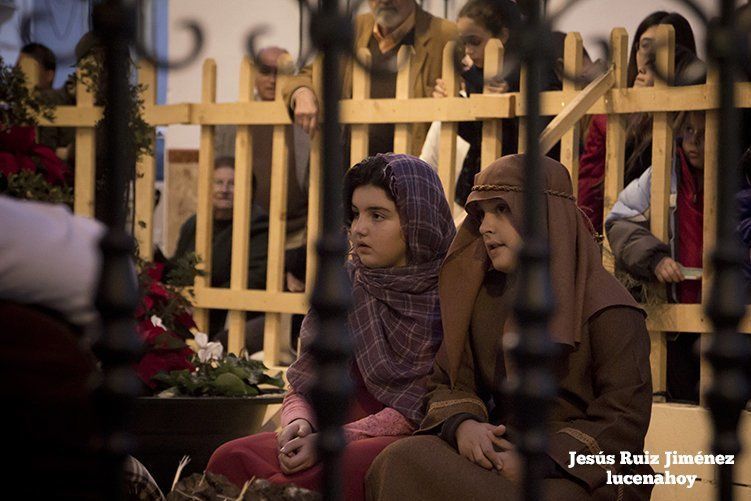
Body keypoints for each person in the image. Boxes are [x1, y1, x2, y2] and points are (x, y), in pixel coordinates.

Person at [366, 155, 653, 501]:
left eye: (502, 210)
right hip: (501, 452)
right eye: (482, 214)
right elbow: (450, 381)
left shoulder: (611, 308)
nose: (486, 226)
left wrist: (540, 461)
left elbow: (623, 421)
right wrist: (465, 426)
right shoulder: (485, 296)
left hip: (577, 469)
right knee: (398, 461)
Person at [206, 153, 456, 500]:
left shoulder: (447, 295)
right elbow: (303, 382)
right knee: (230, 457)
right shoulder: (345, 285)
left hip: (399, 438)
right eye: (354, 215)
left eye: (377, 215)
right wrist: (298, 423)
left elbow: (420, 405)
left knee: (332, 470)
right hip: (320, 432)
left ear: (417, 221)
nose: (359, 229)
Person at [605, 111, 707, 403]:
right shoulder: (664, 173)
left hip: (731, 319)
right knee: (680, 403)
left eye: (704, 132)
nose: (694, 141)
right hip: (674, 320)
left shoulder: (740, 178)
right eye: (688, 129)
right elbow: (619, 222)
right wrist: (655, 259)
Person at [283, 0, 457, 157]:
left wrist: (454, 96)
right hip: (351, 171)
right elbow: (310, 74)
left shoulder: (445, 36)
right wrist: (301, 92)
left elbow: (473, 97)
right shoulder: (353, 28)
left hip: (409, 176)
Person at [577, 11, 697, 234]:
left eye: (661, 47)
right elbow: (589, 187)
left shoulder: (692, 111)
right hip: (615, 231)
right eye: (645, 45)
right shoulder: (610, 112)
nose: (650, 56)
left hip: (675, 232)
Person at [215, 46, 310, 244]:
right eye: (266, 72)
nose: (273, 80)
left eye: (280, 73)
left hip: (298, 235)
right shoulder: (231, 123)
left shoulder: (305, 119)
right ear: (254, 74)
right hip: (244, 233)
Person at [173, 156, 269, 340]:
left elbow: (256, 277)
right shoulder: (194, 224)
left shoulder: (257, 223)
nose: (224, 190)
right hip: (189, 315)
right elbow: (177, 268)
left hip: (232, 319)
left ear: (248, 189)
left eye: (232, 184)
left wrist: (205, 300)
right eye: (218, 182)